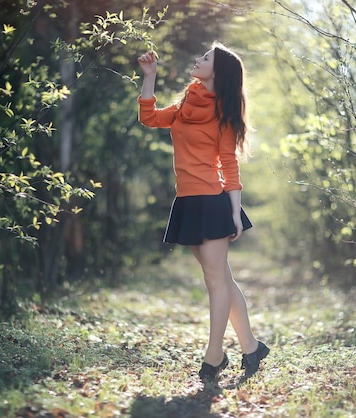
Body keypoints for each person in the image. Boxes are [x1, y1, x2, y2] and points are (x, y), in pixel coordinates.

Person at [137, 42, 269, 381]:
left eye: (205, 58)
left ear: (218, 71)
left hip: (213, 202)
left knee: (215, 280)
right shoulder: (187, 102)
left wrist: (236, 214)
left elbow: (229, 164)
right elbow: (149, 117)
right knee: (221, 277)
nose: (198, 60)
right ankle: (252, 348)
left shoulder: (224, 112)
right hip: (188, 200)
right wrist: (148, 77)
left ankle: (214, 356)